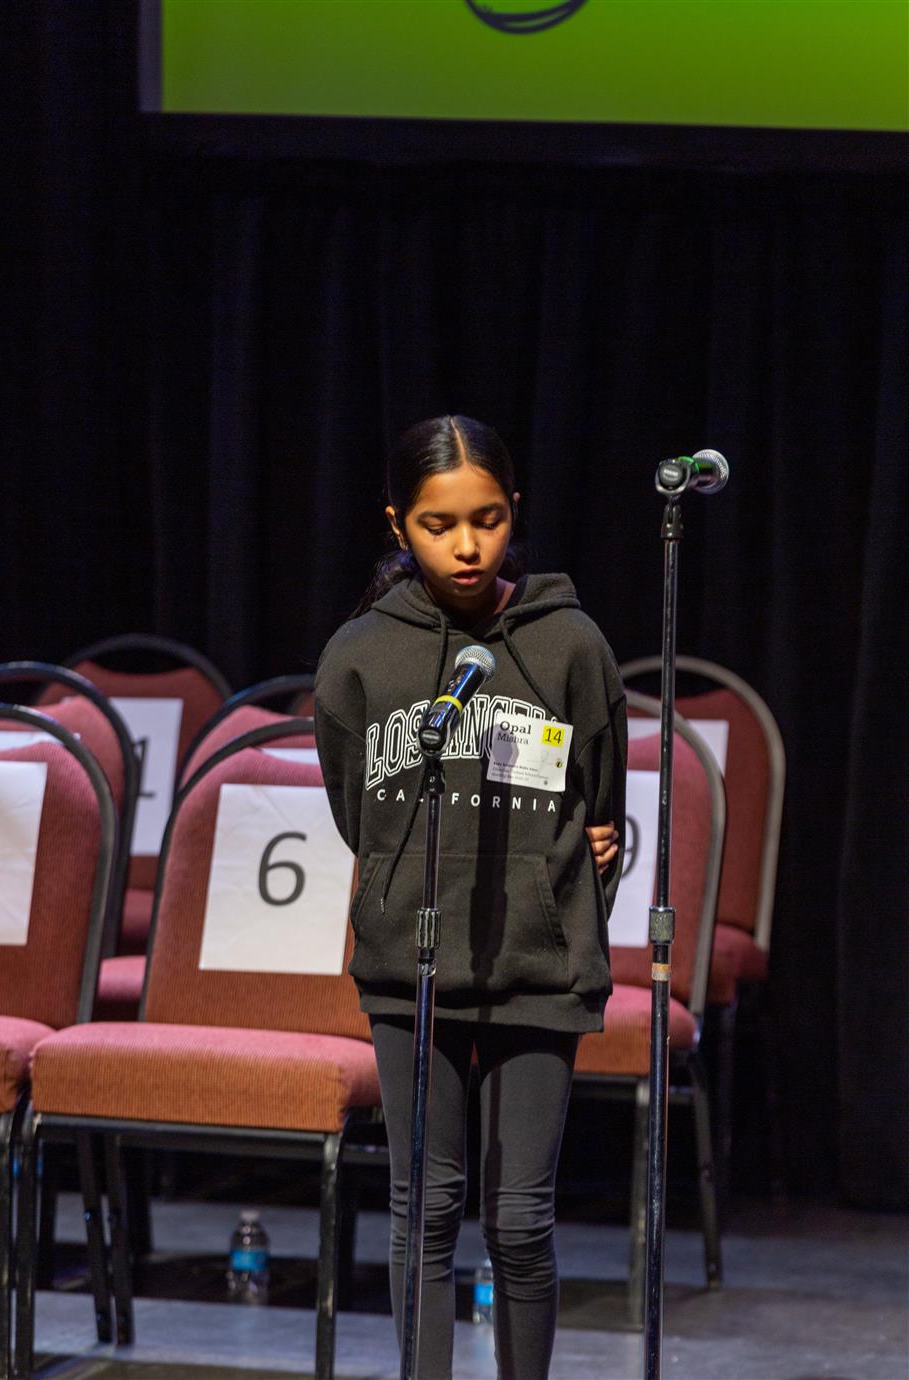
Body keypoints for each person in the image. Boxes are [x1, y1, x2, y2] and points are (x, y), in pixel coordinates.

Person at [314, 415, 627, 1380]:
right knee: (426, 1209)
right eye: (438, 523)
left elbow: (603, 804)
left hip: (540, 959)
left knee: (523, 1219)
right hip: (412, 962)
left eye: (486, 520)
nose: (465, 545)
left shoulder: (568, 641)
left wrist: (565, 878)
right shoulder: (362, 655)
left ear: (513, 514)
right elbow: (352, 808)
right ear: (398, 525)